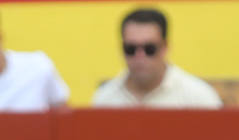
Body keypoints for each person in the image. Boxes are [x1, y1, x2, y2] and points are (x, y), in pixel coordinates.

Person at [92, 7, 222, 108]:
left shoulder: (198, 98)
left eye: (149, 49)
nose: (140, 56)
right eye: (130, 49)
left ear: (165, 47)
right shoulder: (105, 98)